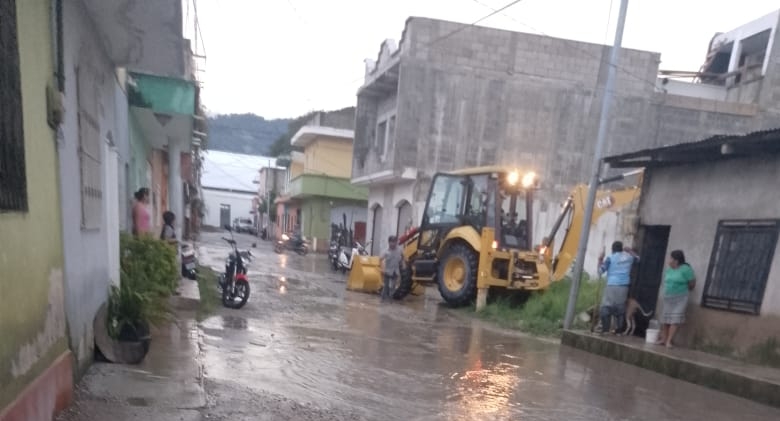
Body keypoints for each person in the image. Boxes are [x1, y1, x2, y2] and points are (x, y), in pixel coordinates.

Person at [598, 241, 639, 334]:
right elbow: (638, 259)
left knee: (606, 307)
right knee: (620, 308)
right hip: (624, 286)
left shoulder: (610, 258)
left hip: (612, 285)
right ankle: (619, 331)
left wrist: (600, 259)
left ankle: (605, 330)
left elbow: (600, 271)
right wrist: (630, 251)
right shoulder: (629, 257)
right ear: (622, 249)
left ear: (612, 249)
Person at [656, 250, 695, 348]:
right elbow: (666, 281)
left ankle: (669, 341)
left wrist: (685, 289)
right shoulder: (670, 269)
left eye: (671, 258)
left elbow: (692, 283)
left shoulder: (686, 269)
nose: (670, 260)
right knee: (666, 319)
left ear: (676, 260)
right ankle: (664, 339)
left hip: (680, 298)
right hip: (668, 297)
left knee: (674, 319)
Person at [379, 235, 403, 302]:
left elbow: (402, 257)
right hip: (387, 271)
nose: (393, 244)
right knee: (386, 286)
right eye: (392, 242)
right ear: (389, 242)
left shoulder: (399, 250)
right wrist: (381, 268)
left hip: (395, 271)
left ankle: (390, 300)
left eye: (395, 242)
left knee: (393, 286)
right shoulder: (386, 251)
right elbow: (380, 259)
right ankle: (383, 299)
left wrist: (402, 264)